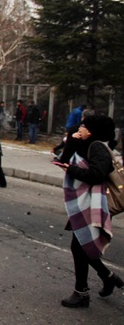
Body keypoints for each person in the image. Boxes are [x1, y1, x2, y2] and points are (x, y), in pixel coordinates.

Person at [54, 115, 121, 308]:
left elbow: (96, 174)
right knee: (81, 245)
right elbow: (63, 161)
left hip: (94, 203)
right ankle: (107, 277)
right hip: (84, 202)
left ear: (91, 131)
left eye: (83, 126)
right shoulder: (85, 144)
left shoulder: (98, 147)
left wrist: (72, 170)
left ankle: (82, 292)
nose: (80, 128)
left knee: (80, 245)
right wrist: (72, 142)